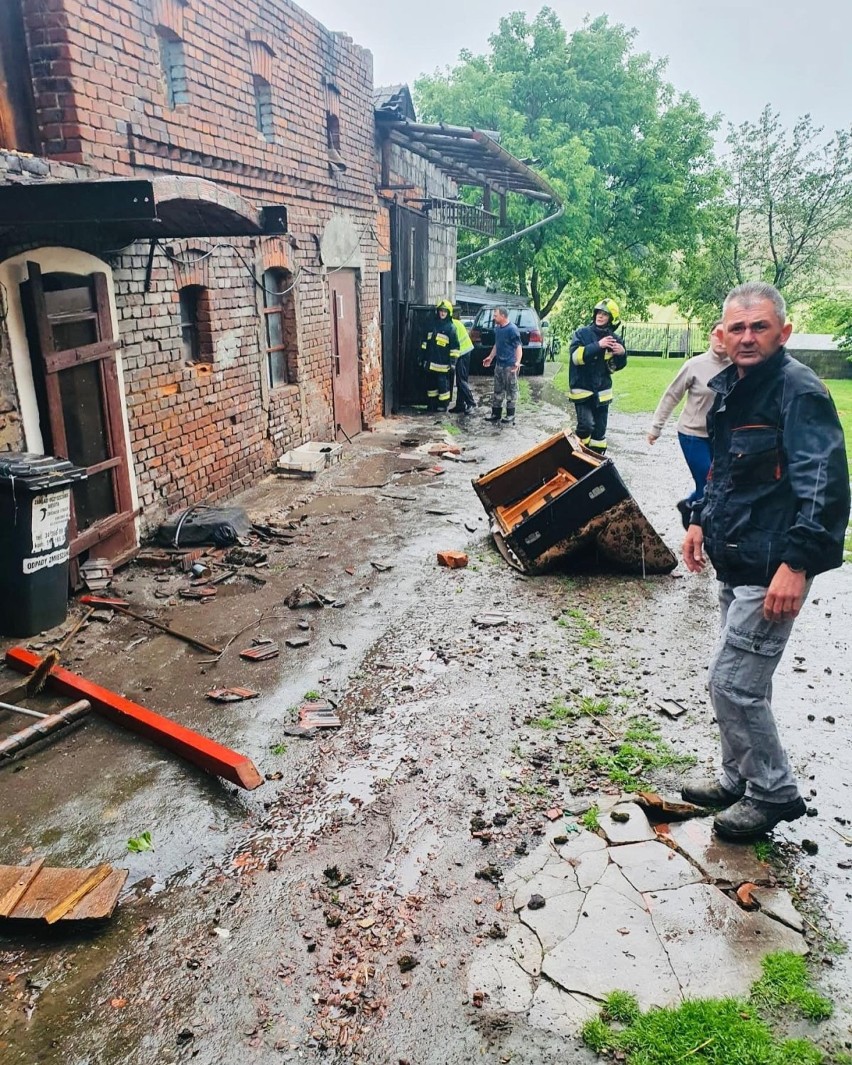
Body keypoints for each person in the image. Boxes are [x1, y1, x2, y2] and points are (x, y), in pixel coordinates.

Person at [681, 282, 850, 842]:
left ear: (784, 331)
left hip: (772, 569)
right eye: (737, 328)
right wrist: (699, 517)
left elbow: (824, 487)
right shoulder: (734, 386)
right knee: (744, 681)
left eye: (759, 327)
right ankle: (737, 777)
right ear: (722, 337)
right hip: (738, 559)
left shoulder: (798, 391)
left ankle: (774, 792)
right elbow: (725, 471)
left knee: (732, 684)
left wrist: (797, 564)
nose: (747, 337)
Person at [647, 322, 730, 528]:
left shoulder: (738, 366)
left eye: (725, 334)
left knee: (721, 483)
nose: (720, 340)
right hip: (692, 434)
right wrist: (656, 427)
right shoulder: (695, 365)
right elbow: (672, 396)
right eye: (716, 334)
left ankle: (689, 505)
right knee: (707, 482)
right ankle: (703, 528)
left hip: (721, 437)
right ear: (709, 337)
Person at [568, 299, 627, 455]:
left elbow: (616, 366)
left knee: (599, 434)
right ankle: (579, 454)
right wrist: (598, 346)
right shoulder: (582, 334)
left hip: (602, 392)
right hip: (582, 389)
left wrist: (622, 354)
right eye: (599, 313)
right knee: (586, 426)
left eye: (605, 314)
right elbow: (575, 358)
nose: (600, 317)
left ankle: (596, 460)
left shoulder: (614, 338)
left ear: (611, 319)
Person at [482, 306, 522, 425]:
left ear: (503, 316)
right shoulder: (498, 329)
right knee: (497, 390)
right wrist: (490, 357)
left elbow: (518, 346)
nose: (494, 317)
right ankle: (496, 413)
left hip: (509, 365)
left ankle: (510, 415)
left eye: (496, 315)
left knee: (511, 390)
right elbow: (497, 344)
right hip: (499, 365)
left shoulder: (512, 329)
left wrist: (518, 361)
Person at [420, 299, 459, 412]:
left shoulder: (451, 328)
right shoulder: (432, 325)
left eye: (445, 311)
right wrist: (422, 357)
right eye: (441, 311)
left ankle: (443, 405)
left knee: (443, 386)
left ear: (449, 313)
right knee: (431, 385)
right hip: (431, 363)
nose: (442, 313)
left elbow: (455, 348)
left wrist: (452, 363)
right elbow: (425, 343)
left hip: (443, 364)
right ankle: (432, 404)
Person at [448, 310, 477, 414]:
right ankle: (460, 405)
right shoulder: (454, 322)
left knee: (461, 380)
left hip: (463, 352)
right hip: (464, 351)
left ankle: (471, 403)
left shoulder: (450, 325)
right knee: (461, 379)